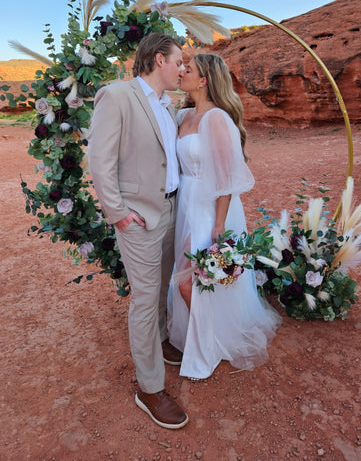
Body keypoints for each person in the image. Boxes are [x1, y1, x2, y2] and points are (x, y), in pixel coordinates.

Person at [88, 33, 189, 429]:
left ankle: (162, 340)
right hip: (139, 219)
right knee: (145, 299)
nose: (183, 69)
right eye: (179, 61)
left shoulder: (168, 105)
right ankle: (149, 388)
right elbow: (100, 160)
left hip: (171, 209)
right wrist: (119, 214)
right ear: (159, 60)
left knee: (163, 284)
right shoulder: (117, 96)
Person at [167, 53, 281, 381]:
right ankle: (205, 335)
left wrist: (219, 223)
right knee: (192, 278)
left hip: (208, 205)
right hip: (185, 202)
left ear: (203, 80)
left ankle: (209, 346)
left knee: (189, 280)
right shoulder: (183, 114)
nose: (182, 73)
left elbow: (227, 177)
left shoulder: (216, 118)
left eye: (188, 70)